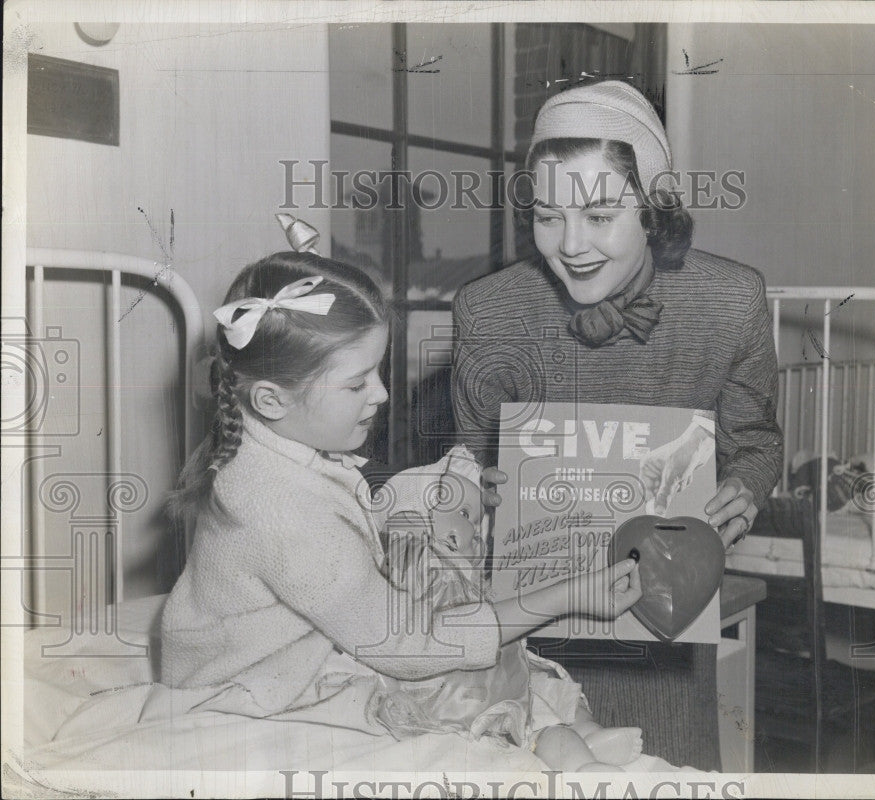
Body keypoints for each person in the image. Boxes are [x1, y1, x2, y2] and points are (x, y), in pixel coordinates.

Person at [160, 252, 642, 748]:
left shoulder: (270, 447)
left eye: (377, 372)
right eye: (357, 383)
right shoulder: (281, 514)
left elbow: (356, 509)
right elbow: (404, 643)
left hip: (285, 649)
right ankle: (558, 736)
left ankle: (573, 733)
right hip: (252, 691)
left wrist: (444, 493)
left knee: (484, 656)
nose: (383, 394)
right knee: (462, 679)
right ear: (271, 399)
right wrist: (566, 597)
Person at [450, 80, 783, 768]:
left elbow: (756, 444)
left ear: (655, 210)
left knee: (664, 772)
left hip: (662, 625)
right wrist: (471, 492)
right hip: (527, 640)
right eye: (548, 216)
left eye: (601, 215)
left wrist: (744, 490)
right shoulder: (488, 311)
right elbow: (462, 472)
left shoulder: (729, 300)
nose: (570, 245)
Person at [373, 445, 642, 771]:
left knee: (549, 703)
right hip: (450, 690)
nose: (475, 529)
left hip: (499, 684)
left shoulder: (469, 581)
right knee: (539, 715)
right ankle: (582, 754)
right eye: (462, 514)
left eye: (475, 520)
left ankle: (587, 752)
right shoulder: (413, 564)